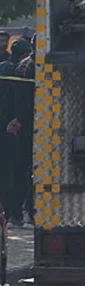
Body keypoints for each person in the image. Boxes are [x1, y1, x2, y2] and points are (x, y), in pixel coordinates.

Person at [0, 38, 34, 225]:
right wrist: (19, 119)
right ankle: (19, 212)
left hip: (6, 127)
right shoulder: (24, 69)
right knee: (21, 171)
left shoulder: (4, 67)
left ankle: (9, 212)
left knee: (7, 172)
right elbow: (23, 101)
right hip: (18, 129)